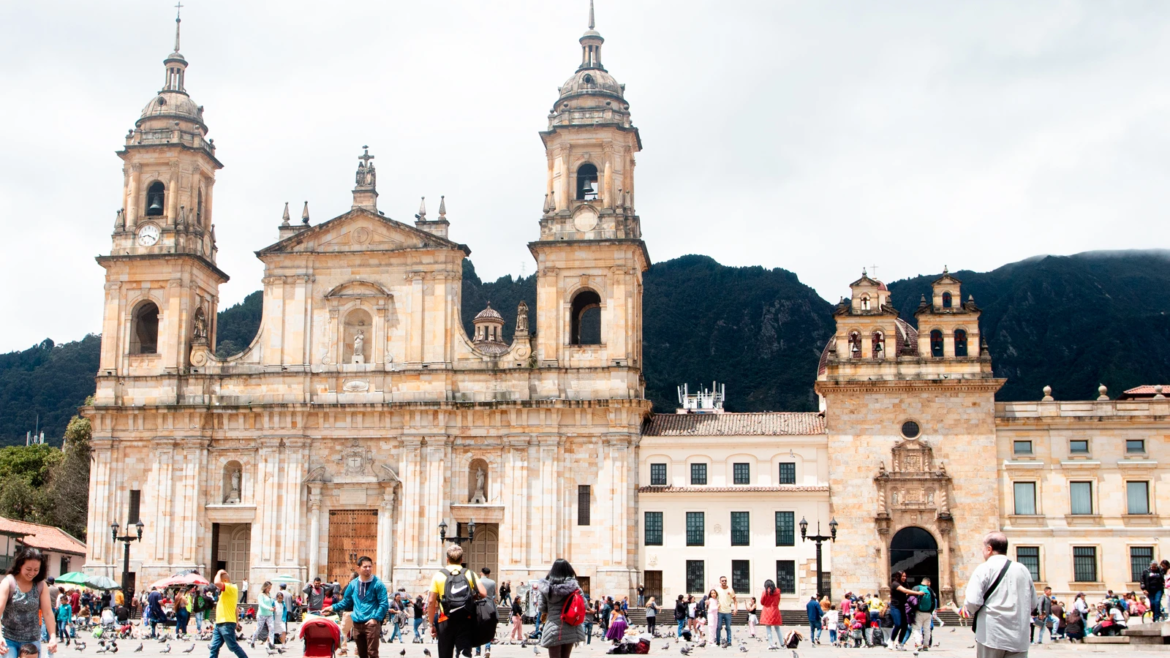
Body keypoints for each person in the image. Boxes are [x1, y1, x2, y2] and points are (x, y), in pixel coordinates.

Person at [963, 531, 1035, 658]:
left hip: (992, 635)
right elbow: (1033, 603)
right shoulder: (1023, 570)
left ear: (989, 549)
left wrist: (970, 611)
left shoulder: (984, 568)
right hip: (1019, 637)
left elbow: (973, 601)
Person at [427, 545, 486, 658]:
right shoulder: (469, 573)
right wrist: (470, 597)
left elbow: (430, 601)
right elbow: (483, 593)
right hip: (465, 619)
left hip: (445, 620)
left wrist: (431, 624)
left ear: (447, 559)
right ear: (461, 559)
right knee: (464, 654)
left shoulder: (439, 575)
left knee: (445, 654)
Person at [323, 557, 388, 658]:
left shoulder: (378, 584)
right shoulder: (353, 584)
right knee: (361, 654)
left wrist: (375, 619)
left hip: (371, 624)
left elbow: (384, 604)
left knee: (372, 653)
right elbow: (346, 601)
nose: (368, 569)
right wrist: (332, 607)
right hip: (357, 624)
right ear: (358, 568)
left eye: (370, 566)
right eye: (365, 566)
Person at [0, 547, 58, 657]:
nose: (32, 573)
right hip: (8, 638)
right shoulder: (8, 583)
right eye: (28, 569)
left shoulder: (41, 586)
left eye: (36, 570)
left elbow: (47, 613)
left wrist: (53, 636)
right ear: (20, 565)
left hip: (32, 639)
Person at [537, 559, 584, 658]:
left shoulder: (545, 588)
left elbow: (542, 607)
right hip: (570, 626)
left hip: (552, 627)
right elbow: (584, 605)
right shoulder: (575, 587)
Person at [209, 570, 249, 658]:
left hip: (226, 623)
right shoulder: (226, 592)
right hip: (220, 623)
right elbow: (235, 608)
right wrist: (237, 622)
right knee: (214, 647)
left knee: (232, 646)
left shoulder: (231, 587)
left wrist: (218, 572)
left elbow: (216, 583)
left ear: (225, 581)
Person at [886, 571, 916, 651]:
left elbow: (908, 593)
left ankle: (900, 643)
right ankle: (891, 641)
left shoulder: (905, 584)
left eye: (905, 576)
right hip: (895, 607)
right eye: (903, 576)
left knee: (905, 626)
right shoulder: (895, 584)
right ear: (898, 576)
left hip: (902, 606)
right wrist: (918, 593)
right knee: (898, 624)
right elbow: (905, 591)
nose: (904, 578)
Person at [475, 568, 496, 658]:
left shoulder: (477, 582)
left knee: (477, 628)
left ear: (481, 573)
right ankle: (487, 648)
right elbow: (493, 596)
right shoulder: (492, 582)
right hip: (490, 607)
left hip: (479, 607)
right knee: (489, 629)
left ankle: (478, 651)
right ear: (489, 574)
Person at [912, 576, 936, 651]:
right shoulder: (930, 590)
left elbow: (911, 599)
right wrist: (930, 611)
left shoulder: (916, 588)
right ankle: (926, 645)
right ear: (928, 582)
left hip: (918, 612)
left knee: (917, 628)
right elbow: (933, 601)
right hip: (928, 613)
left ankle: (918, 643)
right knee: (927, 629)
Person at [759, 580, 783, 650]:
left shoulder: (765, 592)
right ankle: (782, 643)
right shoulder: (778, 592)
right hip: (775, 611)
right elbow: (778, 600)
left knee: (768, 628)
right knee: (777, 628)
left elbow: (762, 602)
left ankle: (771, 643)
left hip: (767, 611)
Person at [713, 576, 735, 647]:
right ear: (720, 581)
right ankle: (718, 641)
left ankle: (729, 641)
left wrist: (735, 608)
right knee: (718, 627)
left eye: (725, 580)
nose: (724, 582)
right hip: (720, 611)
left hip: (728, 611)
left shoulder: (730, 589)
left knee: (728, 627)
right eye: (722, 581)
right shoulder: (717, 590)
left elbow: (735, 600)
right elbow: (712, 597)